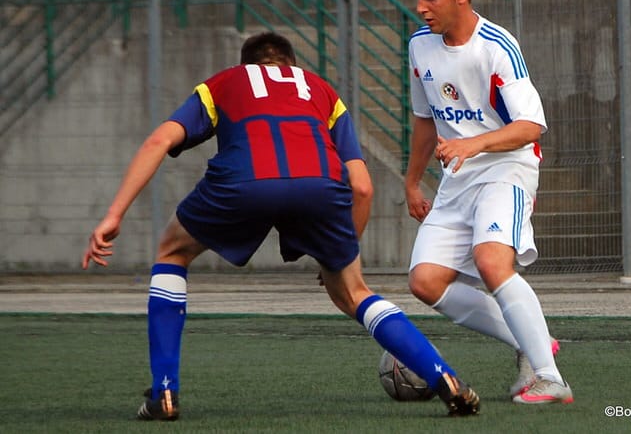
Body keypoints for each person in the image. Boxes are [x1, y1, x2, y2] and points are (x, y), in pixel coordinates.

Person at [81, 32, 480, 420]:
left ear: (246, 65)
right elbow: (361, 185)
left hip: (243, 183)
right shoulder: (321, 90)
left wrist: (114, 214)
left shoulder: (224, 82)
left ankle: (164, 390)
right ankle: (442, 375)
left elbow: (157, 142)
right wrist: (340, 253)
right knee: (354, 292)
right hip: (320, 186)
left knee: (172, 252)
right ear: (292, 64)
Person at [404, 0, 573, 404]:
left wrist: (472, 143)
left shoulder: (497, 45)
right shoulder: (419, 44)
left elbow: (531, 125)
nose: (420, 7)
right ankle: (529, 340)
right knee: (425, 282)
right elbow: (424, 118)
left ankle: (550, 377)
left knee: (491, 262)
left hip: (507, 168)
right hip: (458, 178)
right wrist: (412, 180)